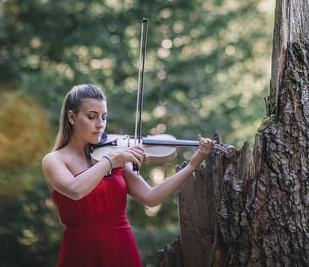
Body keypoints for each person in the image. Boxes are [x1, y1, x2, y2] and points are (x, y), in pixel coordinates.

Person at [41, 83, 215, 267]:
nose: (100, 124)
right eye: (92, 117)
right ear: (72, 117)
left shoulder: (115, 154)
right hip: (81, 251)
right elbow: (75, 190)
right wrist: (110, 160)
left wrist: (193, 165)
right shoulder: (54, 160)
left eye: (104, 117)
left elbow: (151, 198)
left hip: (121, 245)